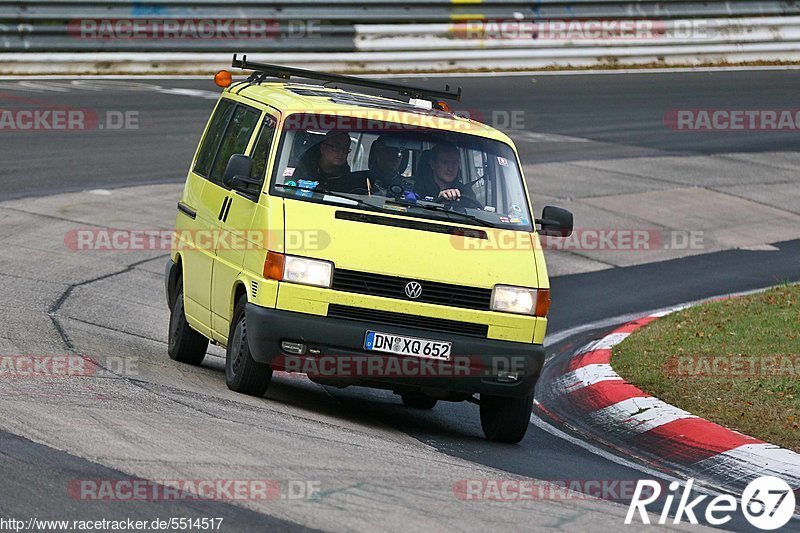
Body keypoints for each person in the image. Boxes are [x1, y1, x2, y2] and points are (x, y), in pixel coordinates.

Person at [292, 131, 361, 192]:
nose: (341, 152)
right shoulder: (302, 170)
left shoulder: (348, 182)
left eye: (345, 148)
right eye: (336, 147)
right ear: (323, 148)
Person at [415, 143, 481, 207]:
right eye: (445, 162)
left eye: (454, 162)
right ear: (433, 164)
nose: (450, 168)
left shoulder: (466, 192)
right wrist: (437, 201)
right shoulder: (417, 188)